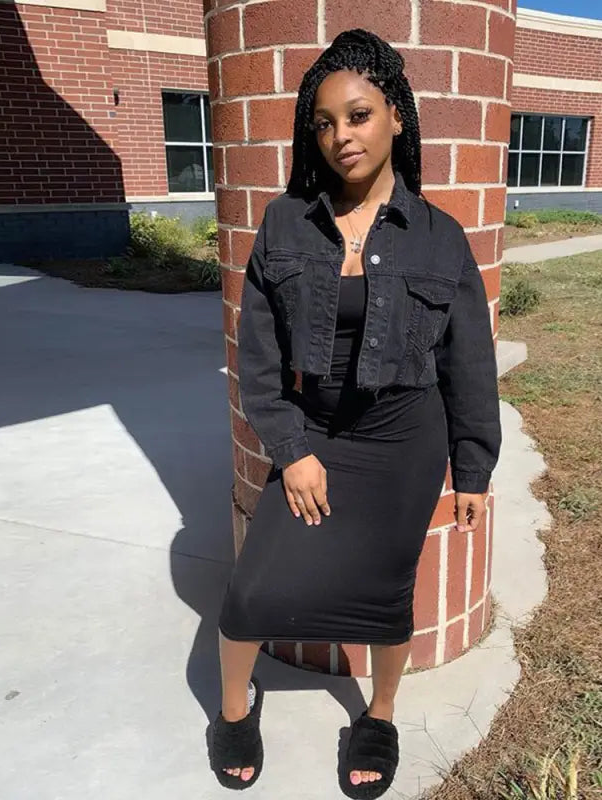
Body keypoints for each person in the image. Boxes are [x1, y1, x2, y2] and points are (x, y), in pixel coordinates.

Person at [211, 29, 502, 798]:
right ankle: (234, 710)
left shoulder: (440, 239)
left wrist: (473, 466)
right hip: (315, 433)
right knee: (251, 594)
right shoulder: (284, 224)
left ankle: (379, 714)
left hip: (404, 438)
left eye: (361, 114)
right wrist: (291, 447)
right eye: (326, 122)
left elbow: (467, 362)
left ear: (396, 119)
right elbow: (261, 358)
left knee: (384, 592)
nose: (343, 135)